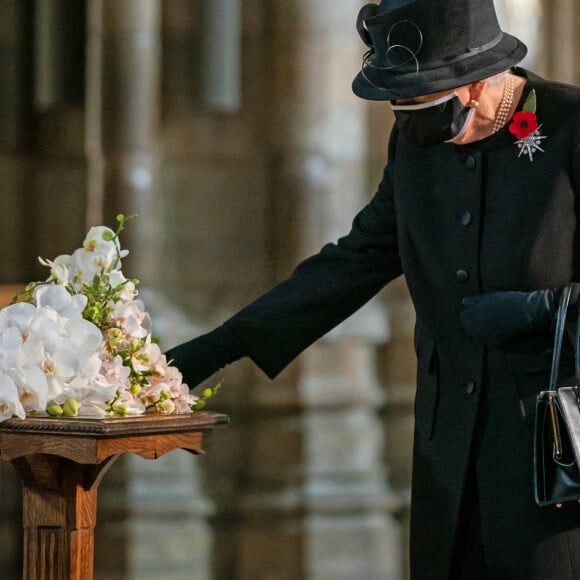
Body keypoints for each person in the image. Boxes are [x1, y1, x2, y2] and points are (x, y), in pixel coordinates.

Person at [166, 0, 580, 578]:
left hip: (551, 454)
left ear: (478, 81)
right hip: (451, 455)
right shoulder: (413, 144)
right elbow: (353, 262)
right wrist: (213, 348)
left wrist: (540, 312)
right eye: (401, 109)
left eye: (425, 108)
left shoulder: (567, 125)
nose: (414, 128)